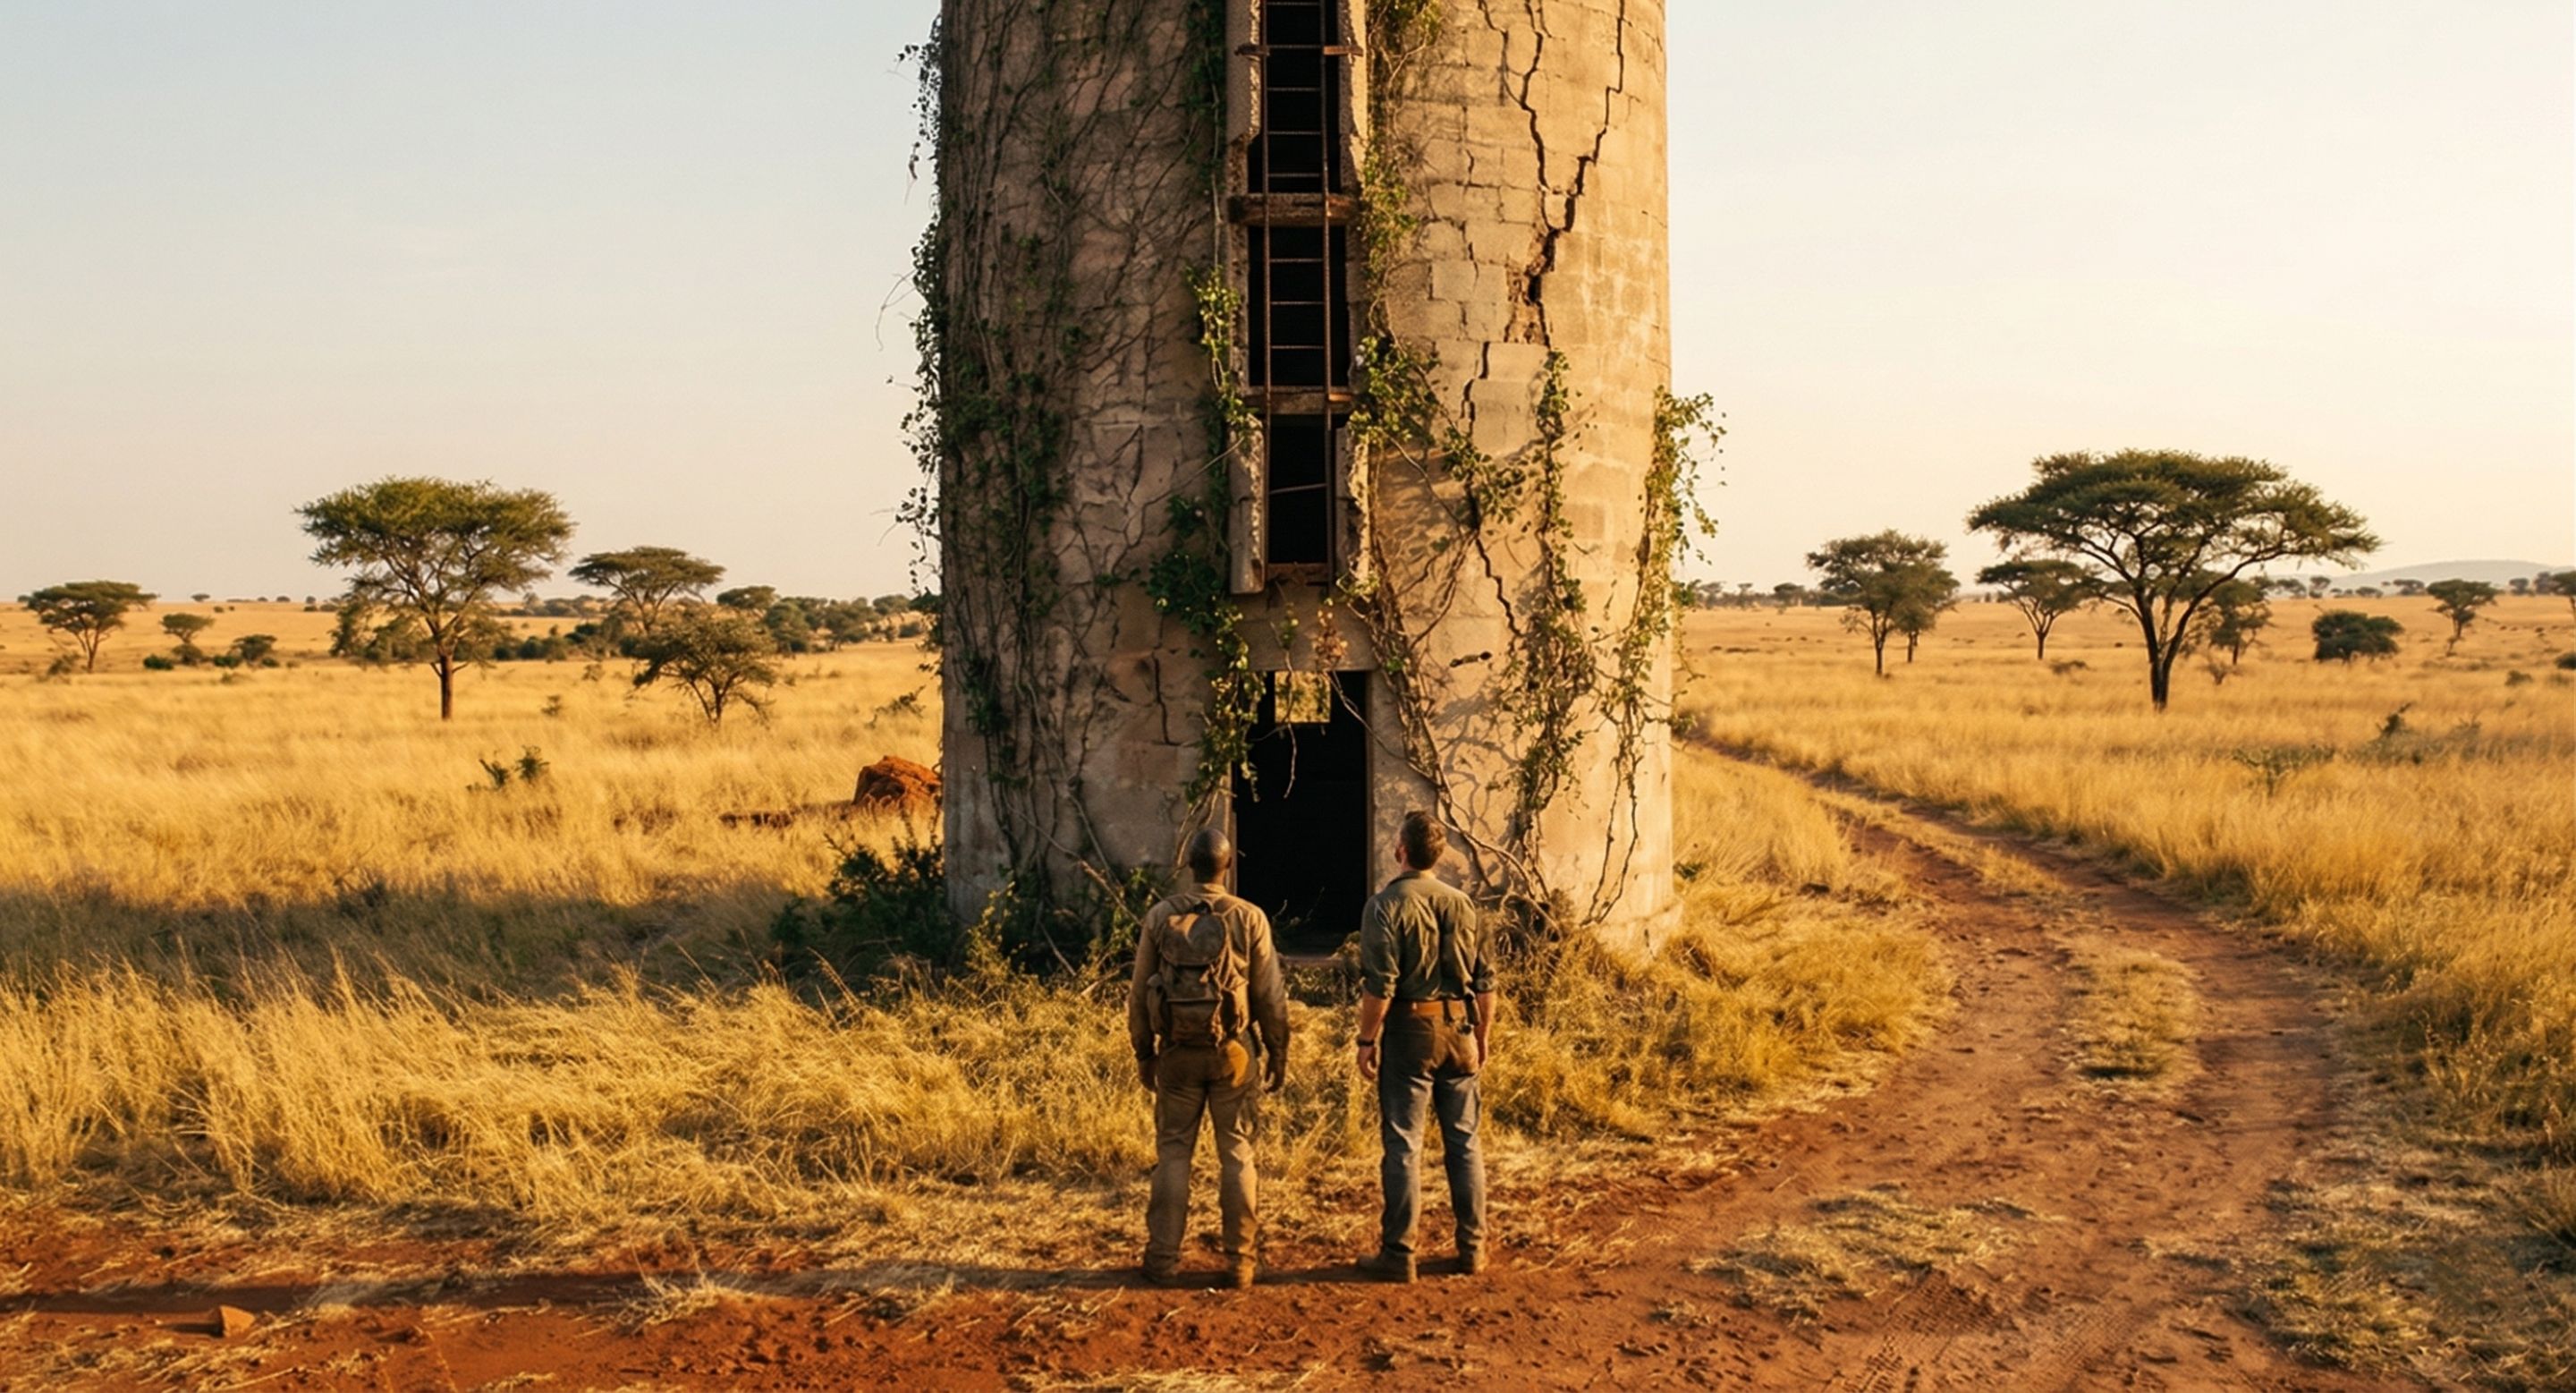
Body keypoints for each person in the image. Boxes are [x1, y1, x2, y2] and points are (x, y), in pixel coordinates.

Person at [1127, 827, 1290, 1289]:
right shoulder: (1249, 917)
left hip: (1176, 1055)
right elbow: (1270, 994)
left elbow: (1139, 993)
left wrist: (1144, 1053)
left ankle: (1162, 1260)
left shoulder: (1161, 917)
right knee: (1237, 1151)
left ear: (1188, 865)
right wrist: (1278, 1050)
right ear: (1228, 866)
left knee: (1174, 1152)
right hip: (1233, 1053)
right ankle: (1240, 1263)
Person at [1352, 811, 1495, 1283]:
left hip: (1412, 1030)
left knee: (1404, 1144)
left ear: (1401, 851)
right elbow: (1487, 982)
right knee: (1465, 1143)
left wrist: (1366, 1040)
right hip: (1461, 1028)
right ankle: (1472, 1249)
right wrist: (1482, 1037)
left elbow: (1382, 985)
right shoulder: (1465, 905)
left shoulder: (1384, 906)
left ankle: (1400, 1253)